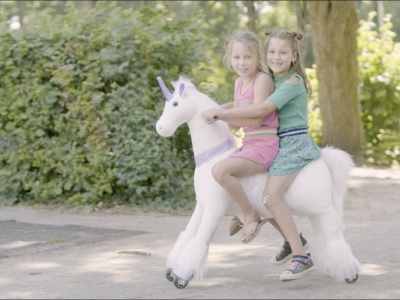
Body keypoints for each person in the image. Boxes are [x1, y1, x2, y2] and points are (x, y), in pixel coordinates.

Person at [202, 29, 320, 282]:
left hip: (292, 143)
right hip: (268, 141)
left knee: (269, 197)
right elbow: (243, 106)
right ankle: (290, 239)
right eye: (273, 52)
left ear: (294, 56)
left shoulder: (290, 82)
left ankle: (301, 256)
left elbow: (261, 110)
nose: (276, 57)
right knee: (261, 194)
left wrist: (221, 113)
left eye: (283, 53)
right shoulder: (271, 81)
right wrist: (211, 110)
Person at [204, 29, 280, 244]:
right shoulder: (239, 83)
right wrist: (213, 115)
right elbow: (238, 121)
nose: (242, 63)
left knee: (220, 170)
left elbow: (255, 118)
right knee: (221, 169)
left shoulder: (262, 80)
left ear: (258, 57)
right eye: (237, 57)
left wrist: (221, 113)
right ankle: (242, 212)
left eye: (248, 57)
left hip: (265, 145)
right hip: (248, 144)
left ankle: (248, 214)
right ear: (230, 59)